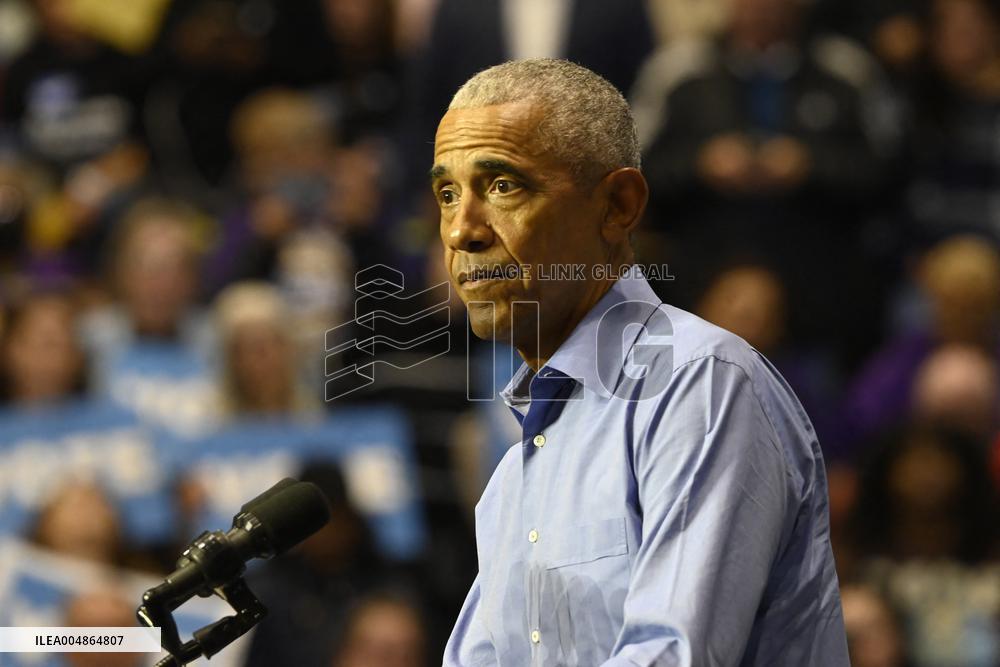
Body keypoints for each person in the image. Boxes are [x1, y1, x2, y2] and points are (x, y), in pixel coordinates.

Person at [433, 59, 848, 666]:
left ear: (618, 207)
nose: (461, 231)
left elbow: (674, 656)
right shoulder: (511, 479)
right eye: (447, 195)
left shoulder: (698, 384)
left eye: (502, 186)